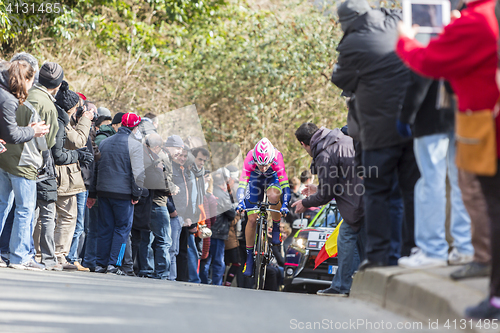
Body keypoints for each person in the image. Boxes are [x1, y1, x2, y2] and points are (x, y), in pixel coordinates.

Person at [396, 0, 499, 319]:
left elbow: (428, 63)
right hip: (468, 124)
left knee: (483, 201)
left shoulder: (474, 22)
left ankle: (438, 252)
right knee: (468, 190)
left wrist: (404, 39)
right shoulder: (487, 15)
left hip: (482, 124)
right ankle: (471, 257)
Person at [331, 0, 419, 269]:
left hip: (376, 134)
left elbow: (340, 79)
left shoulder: (352, 44)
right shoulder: (395, 22)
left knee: (377, 192)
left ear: (347, 22)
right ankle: (409, 251)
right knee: (410, 191)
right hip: (413, 124)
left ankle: (380, 256)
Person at [396, 71, 473, 268]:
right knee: (460, 182)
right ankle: (464, 247)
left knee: (431, 183)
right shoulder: (463, 40)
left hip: (431, 115)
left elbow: (420, 75)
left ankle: (433, 250)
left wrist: (405, 115)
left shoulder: (427, 39)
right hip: (463, 112)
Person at [293, 123, 364, 296]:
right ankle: (350, 286)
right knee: (357, 242)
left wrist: (306, 203)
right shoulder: (342, 139)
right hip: (368, 198)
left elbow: (326, 195)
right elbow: (341, 182)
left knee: (346, 237)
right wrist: (318, 189)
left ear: (304, 144)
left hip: (357, 204)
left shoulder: (324, 153)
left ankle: (342, 287)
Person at [0, 60, 49, 270]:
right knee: (25, 209)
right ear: (25, 79)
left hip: (4, 161)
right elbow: (13, 134)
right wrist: (33, 131)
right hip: (24, 164)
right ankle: (19, 256)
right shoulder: (12, 100)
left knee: (2, 205)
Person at [87, 112, 145, 274]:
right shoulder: (135, 145)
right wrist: (136, 194)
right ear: (135, 127)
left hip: (104, 192)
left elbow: (96, 169)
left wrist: (93, 193)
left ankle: (100, 263)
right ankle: (114, 263)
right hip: (123, 194)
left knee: (105, 228)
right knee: (122, 229)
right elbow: (138, 174)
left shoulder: (105, 142)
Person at [52, 81, 93, 270]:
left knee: (52, 217)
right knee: (67, 217)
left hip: (62, 175)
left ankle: (50, 253)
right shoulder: (63, 121)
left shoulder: (60, 118)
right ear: (71, 108)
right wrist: (86, 120)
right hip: (63, 175)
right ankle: (59, 255)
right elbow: (78, 140)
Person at [236, 138, 291, 277]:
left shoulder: (277, 157)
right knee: (252, 219)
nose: (263, 168)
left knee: (273, 196)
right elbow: (242, 182)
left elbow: (285, 186)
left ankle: (276, 227)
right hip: (254, 181)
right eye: (260, 165)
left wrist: (285, 203)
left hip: (273, 179)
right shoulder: (249, 157)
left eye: (266, 165)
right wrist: (240, 201)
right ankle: (249, 259)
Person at [201, 172, 236, 285]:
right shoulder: (222, 194)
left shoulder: (209, 192)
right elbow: (231, 213)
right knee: (217, 262)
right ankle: (216, 285)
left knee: (206, 260)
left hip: (208, 230)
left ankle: (203, 282)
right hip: (218, 231)